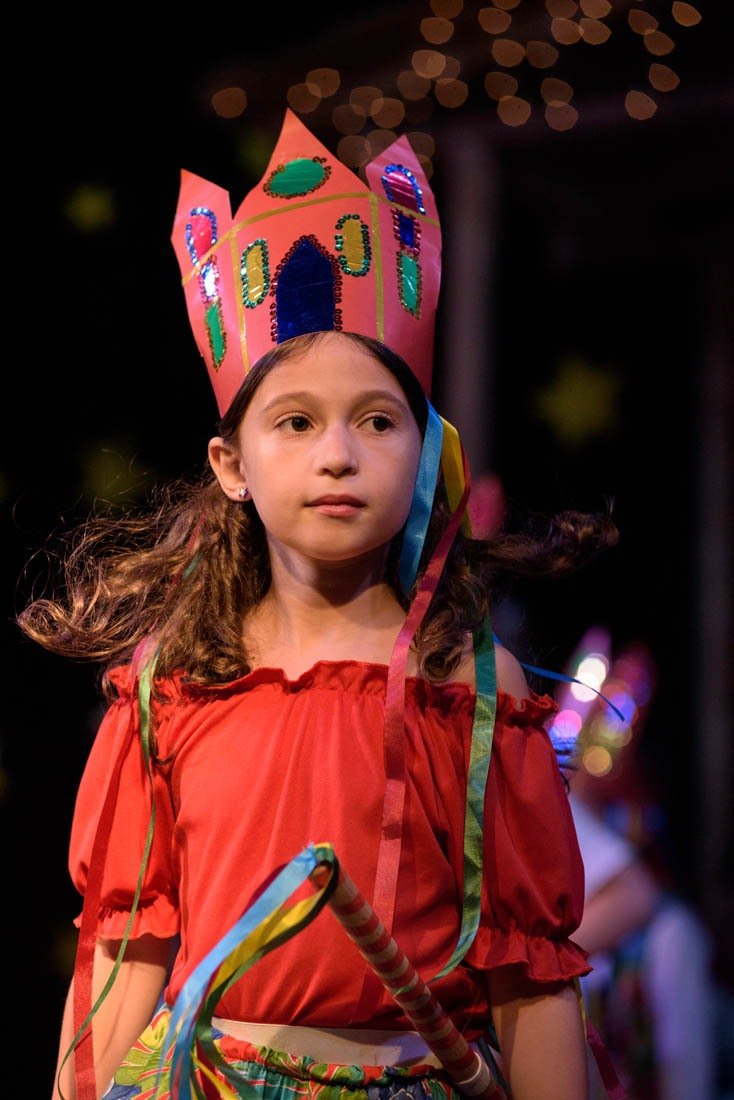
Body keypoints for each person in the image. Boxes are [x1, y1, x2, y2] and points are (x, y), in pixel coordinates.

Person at [21, 110, 622, 1100]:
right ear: (231, 464)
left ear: (422, 451)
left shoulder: (470, 691)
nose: (337, 454)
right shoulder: (171, 688)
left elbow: (533, 975)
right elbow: (124, 949)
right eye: (295, 422)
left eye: (376, 422)